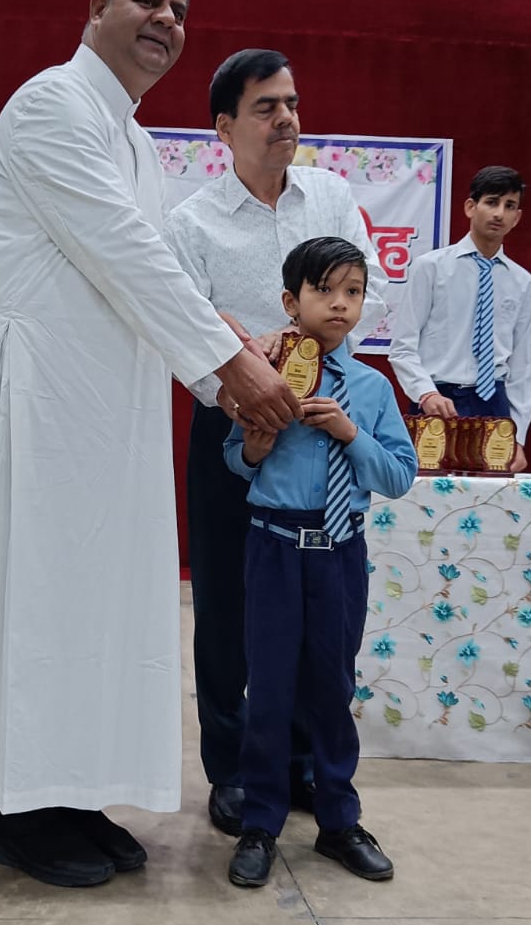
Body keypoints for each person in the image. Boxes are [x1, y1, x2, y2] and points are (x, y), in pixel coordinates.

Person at [0, 0, 301, 890]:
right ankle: (16, 813)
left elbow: (156, 269)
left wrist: (226, 345)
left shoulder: (132, 141)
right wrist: (231, 370)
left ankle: (70, 792)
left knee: (91, 598)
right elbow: (127, 254)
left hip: (100, 414)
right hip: (31, 402)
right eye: (147, 1)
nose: (166, 21)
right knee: (33, 594)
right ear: (96, 7)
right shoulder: (49, 106)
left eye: (179, 11)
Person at [163, 49, 388, 838]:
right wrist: (241, 377)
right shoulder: (191, 223)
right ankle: (232, 769)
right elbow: (182, 331)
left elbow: (370, 295)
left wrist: (291, 345)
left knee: (315, 604)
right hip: (236, 427)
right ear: (225, 128)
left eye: (291, 102)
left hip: (322, 428)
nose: (286, 118)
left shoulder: (331, 195)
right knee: (230, 605)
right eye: (266, 107)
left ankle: (300, 765)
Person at [223, 237, 417, 889]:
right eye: (323, 290)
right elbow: (234, 459)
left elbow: (399, 476)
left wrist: (349, 433)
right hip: (274, 547)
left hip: (339, 551)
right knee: (269, 688)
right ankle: (260, 823)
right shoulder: (266, 375)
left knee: (333, 687)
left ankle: (338, 821)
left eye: (352, 292)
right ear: (291, 301)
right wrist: (253, 449)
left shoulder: (371, 388)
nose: (339, 303)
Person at [388, 166, 531, 472]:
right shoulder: (430, 268)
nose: (499, 213)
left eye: (509, 206)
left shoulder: (524, 284)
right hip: (437, 399)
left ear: (517, 217)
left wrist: (518, 435)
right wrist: (425, 393)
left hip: (494, 404)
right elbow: (402, 347)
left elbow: (525, 368)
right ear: (470, 207)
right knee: (426, 492)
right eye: (491, 202)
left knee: (491, 497)